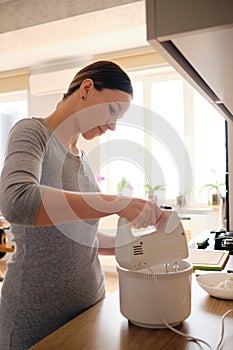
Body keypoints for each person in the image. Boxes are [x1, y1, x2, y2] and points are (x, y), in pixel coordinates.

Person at [0, 60, 163, 349]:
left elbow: (80, 235)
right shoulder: (32, 133)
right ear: (87, 88)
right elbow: (17, 200)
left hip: (91, 308)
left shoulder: (82, 160)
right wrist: (114, 202)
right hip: (36, 319)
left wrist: (136, 246)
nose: (113, 126)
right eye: (113, 110)